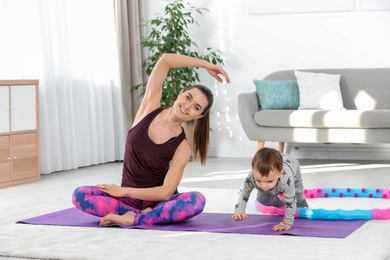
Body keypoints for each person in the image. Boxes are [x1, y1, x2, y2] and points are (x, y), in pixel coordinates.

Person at [72, 53, 230, 226]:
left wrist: (123, 190)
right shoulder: (148, 108)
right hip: (127, 201)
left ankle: (134, 219)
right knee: (80, 195)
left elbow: (165, 193)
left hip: (157, 203)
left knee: (197, 200)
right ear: (180, 93)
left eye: (196, 107)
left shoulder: (182, 147)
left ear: (198, 116)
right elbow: (165, 61)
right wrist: (205, 64)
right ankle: (144, 216)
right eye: (188, 97)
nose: (187, 106)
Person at [232, 147, 308, 231]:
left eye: (269, 181)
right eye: (259, 180)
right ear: (254, 171)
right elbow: (243, 192)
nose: (263, 185)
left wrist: (287, 223)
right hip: (276, 181)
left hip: (293, 164)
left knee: (298, 193)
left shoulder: (286, 180)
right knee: (263, 200)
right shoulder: (252, 176)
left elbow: (291, 201)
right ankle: (281, 202)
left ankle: (302, 203)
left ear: (280, 174)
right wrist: (239, 210)